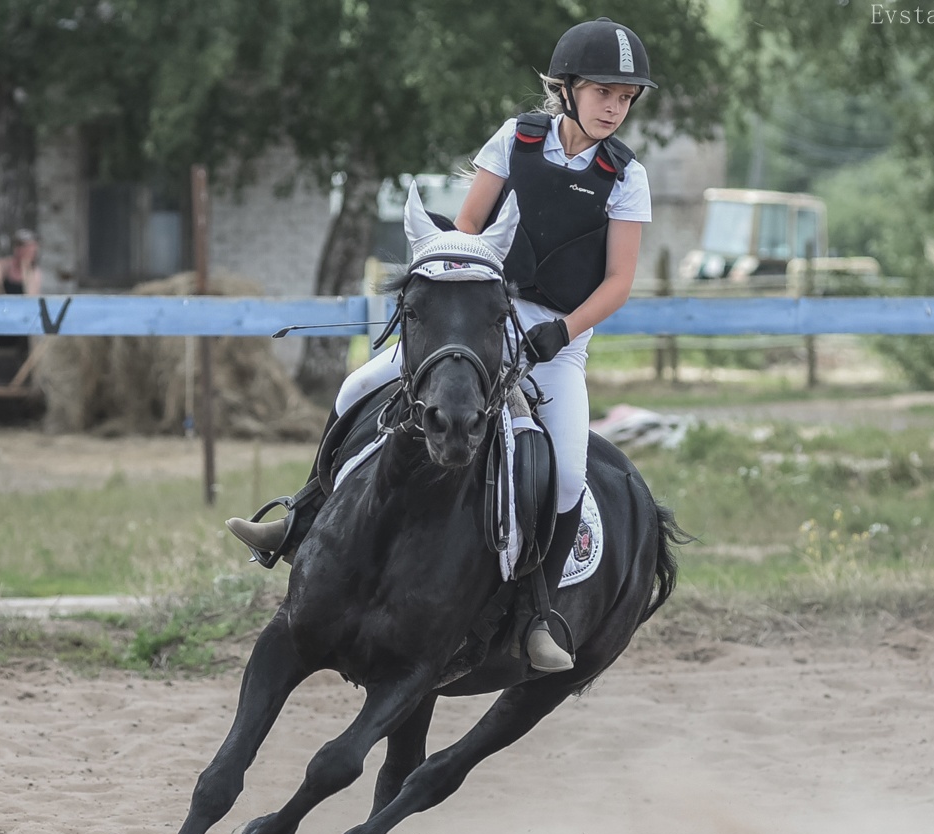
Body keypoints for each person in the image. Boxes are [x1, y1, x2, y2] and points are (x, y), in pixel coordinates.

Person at [228, 17, 656, 674]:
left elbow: (620, 280)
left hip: (558, 339)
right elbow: (466, 225)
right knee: (353, 388)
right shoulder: (518, 138)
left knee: (567, 471)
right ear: (566, 89)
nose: (614, 107)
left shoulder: (626, 176)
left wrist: (559, 332)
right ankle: (300, 516)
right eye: (604, 91)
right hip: (478, 311)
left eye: (626, 97)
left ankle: (539, 608)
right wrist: (472, 300)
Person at [0, 228, 42, 296]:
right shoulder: (2, 266)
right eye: (27, 248)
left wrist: (26, 270)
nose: (31, 251)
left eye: (33, 249)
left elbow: (31, 299)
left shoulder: (34, 272)